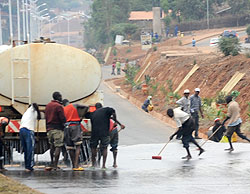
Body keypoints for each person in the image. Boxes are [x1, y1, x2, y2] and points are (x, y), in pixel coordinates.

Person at [85, 102, 125, 169]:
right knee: (104, 148)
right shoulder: (105, 110)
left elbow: (86, 115)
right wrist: (115, 120)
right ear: (101, 106)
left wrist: (87, 108)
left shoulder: (93, 114)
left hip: (95, 133)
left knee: (93, 147)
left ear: (95, 108)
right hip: (104, 132)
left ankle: (93, 165)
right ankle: (103, 166)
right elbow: (113, 110)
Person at [62, 99, 88, 171]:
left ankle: (73, 165)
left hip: (67, 128)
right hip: (75, 126)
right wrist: (82, 116)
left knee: (70, 147)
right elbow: (86, 106)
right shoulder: (74, 105)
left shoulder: (63, 109)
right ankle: (76, 166)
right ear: (68, 102)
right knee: (78, 145)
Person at [45, 92, 66, 170]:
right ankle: (55, 165)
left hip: (49, 129)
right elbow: (62, 118)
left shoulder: (48, 105)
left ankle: (51, 162)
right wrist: (64, 124)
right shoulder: (59, 106)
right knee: (58, 146)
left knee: (51, 146)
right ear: (59, 97)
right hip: (57, 129)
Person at [19, 103, 41, 171]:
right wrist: (39, 114)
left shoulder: (26, 112)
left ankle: (27, 165)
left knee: (26, 149)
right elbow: (34, 105)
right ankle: (29, 166)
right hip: (28, 130)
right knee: (30, 149)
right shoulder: (32, 110)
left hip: (21, 130)